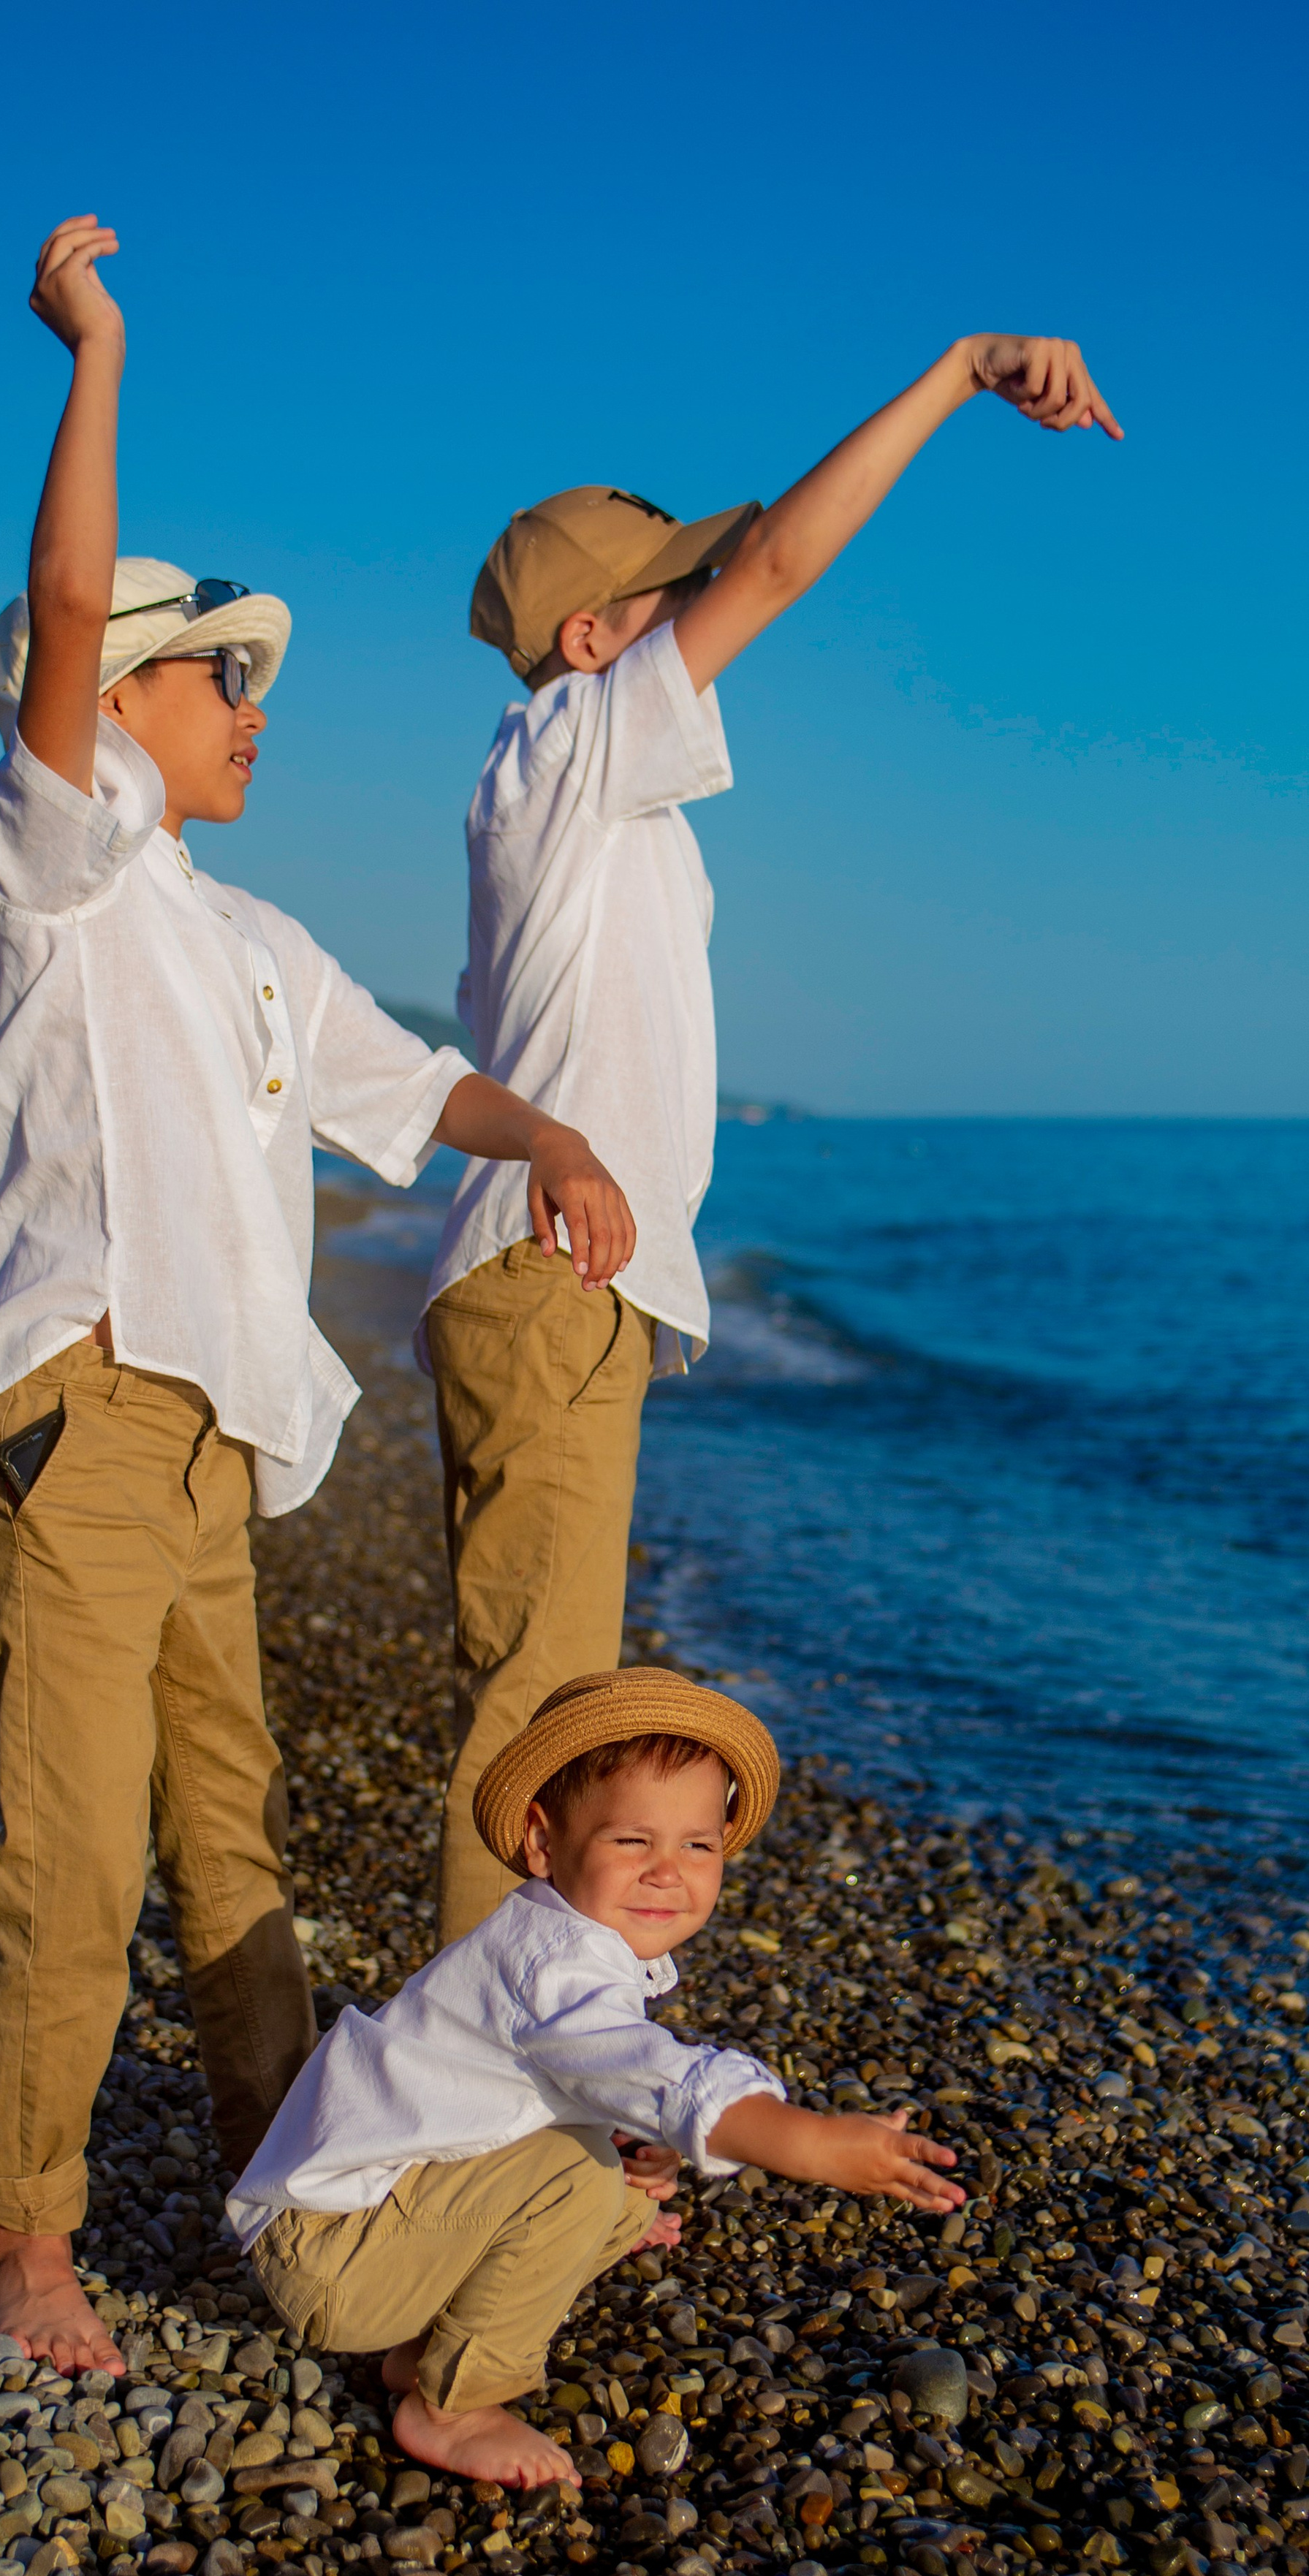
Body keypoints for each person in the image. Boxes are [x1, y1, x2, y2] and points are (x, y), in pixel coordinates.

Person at [0, 214, 637, 2377]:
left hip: (213, 1437)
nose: (255, 704)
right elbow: (69, 601)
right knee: (73, 1856)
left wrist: (556, 1142)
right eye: (218, 670)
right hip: (73, 1412)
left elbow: (406, 1079)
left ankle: (286, 2172)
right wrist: (99, 348)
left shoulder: (242, 929)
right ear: (117, 701)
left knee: (228, 1842)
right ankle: (27, 2237)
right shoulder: (56, 868)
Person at [428, 337, 1123, 1946]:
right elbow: (788, 557)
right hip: (552, 1280)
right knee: (534, 1719)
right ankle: (475, 2109)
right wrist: (953, 378)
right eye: (677, 595)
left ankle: (532, 2066)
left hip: (559, 1281)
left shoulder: (590, 807)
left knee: (547, 1699)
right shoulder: (566, 754)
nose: (712, 611)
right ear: (590, 640)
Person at [231, 1666, 963, 2488]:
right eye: (631, 1841)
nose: (667, 1871)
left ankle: (424, 2349)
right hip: (332, 2255)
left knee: (614, 2191)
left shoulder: (559, 1941)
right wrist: (812, 2145)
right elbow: (659, 2075)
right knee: (576, 2185)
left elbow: (553, 2087)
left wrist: (630, 2144)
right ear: (545, 1843)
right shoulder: (554, 1970)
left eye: (697, 1845)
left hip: (365, 2225)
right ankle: (451, 2406)